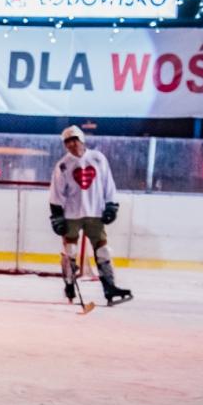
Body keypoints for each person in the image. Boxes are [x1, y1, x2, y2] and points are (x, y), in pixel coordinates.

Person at [50, 126, 132, 305]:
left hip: (95, 212)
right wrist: (56, 215)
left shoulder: (98, 158)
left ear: (82, 139)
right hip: (72, 214)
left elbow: (107, 183)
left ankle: (109, 286)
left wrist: (111, 205)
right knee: (69, 250)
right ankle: (69, 284)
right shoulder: (63, 165)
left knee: (102, 250)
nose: (72, 144)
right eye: (68, 142)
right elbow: (57, 192)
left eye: (75, 140)